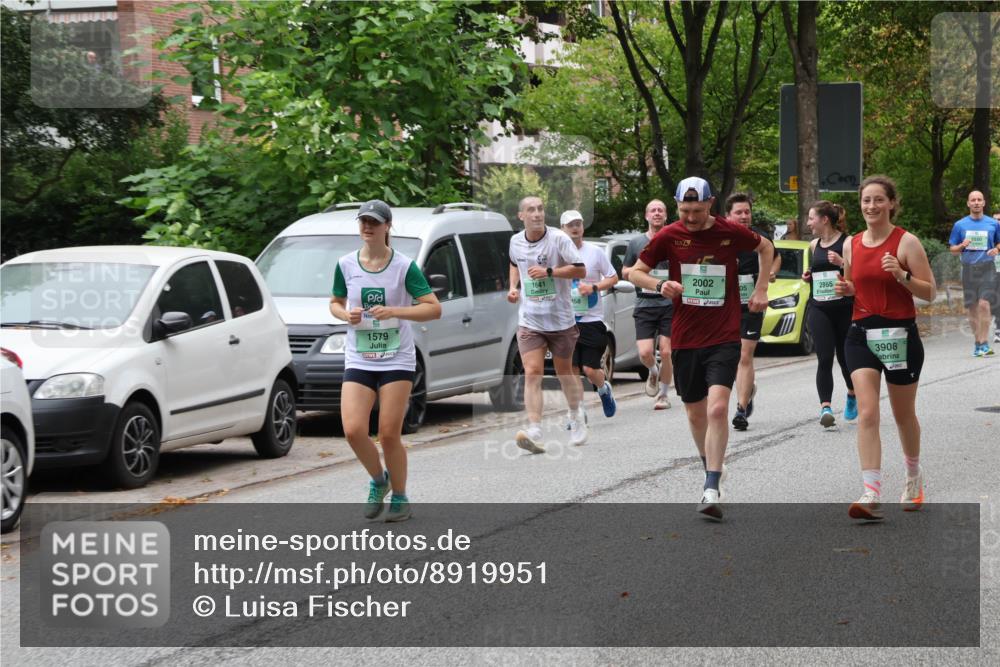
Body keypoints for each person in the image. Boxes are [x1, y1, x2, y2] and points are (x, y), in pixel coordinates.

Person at [629, 177, 773, 520]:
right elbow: (635, 272)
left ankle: (711, 483)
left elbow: (766, 248)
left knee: (718, 409)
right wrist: (659, 283)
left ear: (710, 204)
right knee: (695, 413)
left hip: (724, 335)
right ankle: (709, 462)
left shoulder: (729, 231)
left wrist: (762, 289)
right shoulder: (670, 235)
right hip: (685, 337)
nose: (690, 217)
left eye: (697, 210)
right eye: (684, 210)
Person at [329, 200, 442, 523]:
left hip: (397, 358)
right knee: (352, 430)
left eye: (374, 222)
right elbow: (335, 302)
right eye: (363, 221)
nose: (367, 227)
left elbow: (433, 308)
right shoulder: (346, 264)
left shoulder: (404, 267)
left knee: (389, 433)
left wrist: (395, 311)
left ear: (387, 227)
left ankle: (402, 498)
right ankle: (380, 481)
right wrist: (344, 314)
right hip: (360, 356)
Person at [835, 176, 936, 521]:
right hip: (861, 334)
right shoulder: (851, 244)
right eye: (866, 201)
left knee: (902, 414)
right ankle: (871, 490)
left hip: (899, 336)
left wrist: (902, 276)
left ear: (892, 203)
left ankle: (912, 475)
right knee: (867, 412)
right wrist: (845, 289)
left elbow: (930, 293)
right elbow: (852, 284)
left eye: (879, 200)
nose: (871, 207)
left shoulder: (907, 242)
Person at [508, 195, 588, 452]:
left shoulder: (559, 239)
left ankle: (575, 414)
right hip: (530, 320)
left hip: (560, 318)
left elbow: (580, 270)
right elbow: (514, 263)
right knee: (532, 371)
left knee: (565, 371)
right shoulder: (515, 241)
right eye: (531, 210)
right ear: (521, 216)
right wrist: (513, 287)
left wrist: (550, 272)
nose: (537, 214)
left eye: (541, 209)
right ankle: (535, 430)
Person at [726, 193, 780, 431]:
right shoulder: (720, 237)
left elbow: (775, 257)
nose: (744, 216)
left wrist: (767, 276)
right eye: (739, 212)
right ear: (729, 215)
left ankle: (740, 409)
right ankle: (747, 390)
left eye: (747, 212)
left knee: (745, 355)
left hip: (751, 303)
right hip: (725, 304)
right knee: (730, 357)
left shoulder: (760, 238)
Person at [802, 201, 857, 428]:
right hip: (819, 307)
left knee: (845, 359)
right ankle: (826, 407)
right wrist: (808, 276)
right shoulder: (814, 245)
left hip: (844, 308)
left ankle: (852, 394)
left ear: (824, 219)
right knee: (824, 358)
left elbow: (859, 273)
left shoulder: (848, 242)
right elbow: (816, 271)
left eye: (811, 218)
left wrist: (842, 263)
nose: (808, 223)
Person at [561, 209, 619, 420]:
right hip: (567, 321)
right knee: (572, 368)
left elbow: (613, 278)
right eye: (570, 225)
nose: (575, 228)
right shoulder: (557, 255)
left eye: (578, 223)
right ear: (563, 230)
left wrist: (593, 288)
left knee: (590, 369)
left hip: (592, 320)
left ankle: (603, 389)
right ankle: (578, 412)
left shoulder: (595, 252)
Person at [622, 199, 675, 410]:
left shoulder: (674, 240)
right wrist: (642, 272)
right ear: (646, 216)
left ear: (666, 216)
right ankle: (653, 372)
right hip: (645, 303)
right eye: (652, 210)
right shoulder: (636, 243)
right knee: (645, 353)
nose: (656, 213)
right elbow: (625, 272)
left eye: (660, 210)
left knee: (667, 352)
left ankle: (663, 395)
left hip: (669, 304)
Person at [949, 190, 1000, 356]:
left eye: (979, 200)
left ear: (984, 203)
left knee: (984, 304)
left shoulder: (993, 223)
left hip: (987, 268)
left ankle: (984, 343)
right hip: (969, 270)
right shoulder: (960, 225)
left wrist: (996, 249)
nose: (976, 202)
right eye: (973, 200)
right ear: (968, 204)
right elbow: (953, 250)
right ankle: (977, 342)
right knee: (971, 307)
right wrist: (962, 245)